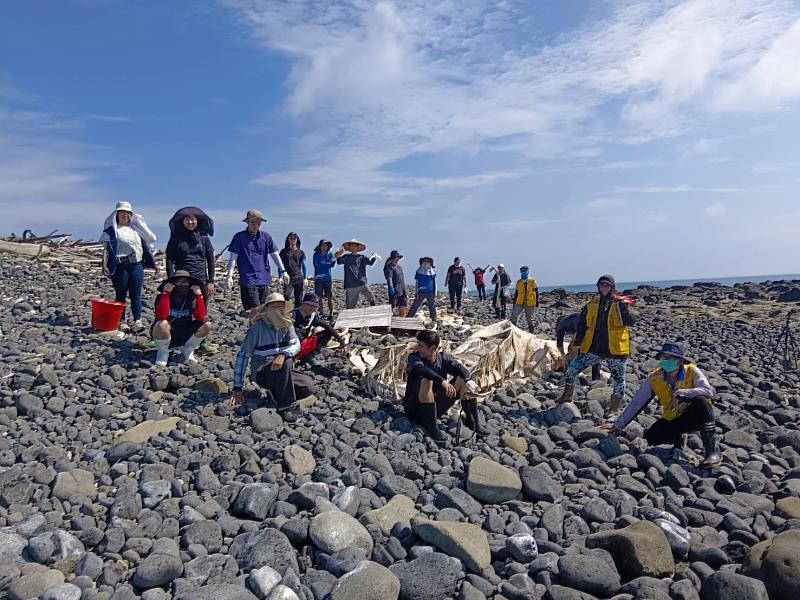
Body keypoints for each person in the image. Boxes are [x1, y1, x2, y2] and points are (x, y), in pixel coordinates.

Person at [600, 343, 721, 468]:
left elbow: (708, 391)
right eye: (664, 357)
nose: (666, 361)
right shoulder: (654, 378)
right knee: (651, 437)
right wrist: (618, 424)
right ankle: (678, 438)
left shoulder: (692, 371)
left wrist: (682, 393)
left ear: (680, 361)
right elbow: (637, 402)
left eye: (670, 358)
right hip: (673, 418)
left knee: (702, 401)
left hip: (695, 415)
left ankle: (713, 453)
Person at [229, 293, 315, 423]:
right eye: (273, 306)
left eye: (280, 306)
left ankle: (276, 395)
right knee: (286, 361)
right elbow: (243, 356)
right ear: (267, 308)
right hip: (262, 371)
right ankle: (285, 406)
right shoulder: (257, 328)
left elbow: (296, 345)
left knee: (308, 387)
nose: (277, 309)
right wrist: (237, 388)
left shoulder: (287, 325)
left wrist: (283, 354)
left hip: (283, 369)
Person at [560, 274, 636, 415]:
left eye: (607, 285)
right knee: (572, 369)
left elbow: (631, 321)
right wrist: (577, 344)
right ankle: (567, 395)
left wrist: (624, 308)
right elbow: (582, 324)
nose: (604, 287)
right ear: (598, 287)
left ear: (612, 287)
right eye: (601, 285)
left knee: (618, 379)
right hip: (594, 348)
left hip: (615, 350)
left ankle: (614, 409)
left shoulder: (620, 303)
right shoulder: (592, 304)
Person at [403, 330, 486, 442]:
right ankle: (431, 427)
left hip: (437, 406)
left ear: (432, 348)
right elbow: (421, 370)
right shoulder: (414, 357)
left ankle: (473, 422)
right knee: (427, 380)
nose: (418, 348)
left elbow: (459, 368)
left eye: (421, 346)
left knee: (462, 380)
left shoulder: (442, 358)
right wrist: (442, 381)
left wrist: (468, 380)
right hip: (415, 408)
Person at [100, 201, 158, 332]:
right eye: (122, 213)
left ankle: (137, 320)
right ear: (117, 214)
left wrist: (153, 263)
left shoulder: (137, 230)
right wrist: (104, 265)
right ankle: (122, 321)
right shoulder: (111, 231)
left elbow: (145, 247)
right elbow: (106, 249)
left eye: (128, 213)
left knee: (136, 294)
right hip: (120, 265)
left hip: (136, 265)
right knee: (121, 294)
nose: (125, 215)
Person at [166, 207, 217, 354]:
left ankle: (203, 342)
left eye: (193, 219)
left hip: (201, 279)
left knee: (201, 310)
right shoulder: (176, 238)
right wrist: (171, 280)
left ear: (197, 221)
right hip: (182, 279)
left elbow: (210, 260)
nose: (190, 222)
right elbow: (169, 259)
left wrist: (211, 281)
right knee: (178, 308)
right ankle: (168, 336)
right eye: (187, 219)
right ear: (182, 222)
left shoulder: (204, 238)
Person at [225, 210, 288, 318]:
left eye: (258, 223)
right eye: (253, 222)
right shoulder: (239, 237)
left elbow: (274, 254)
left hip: (264, 278)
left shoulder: (266, 237)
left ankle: (258, 333)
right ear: (248, 222)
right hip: (248, 279)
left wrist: (283, 271)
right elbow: (233, 258)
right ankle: (254, 331)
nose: (256, 225)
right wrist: (229, 275)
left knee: (263, 309)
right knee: (255, 310)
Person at [151, 270, 213, 367]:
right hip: (167, 333)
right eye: (179, 281)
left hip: (185, 333)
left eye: (185, 282)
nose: (182, 284)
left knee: (206, 324)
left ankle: (188, 349)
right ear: (173, 284)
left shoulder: (191, 298)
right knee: (161, 324)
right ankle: (163, 352)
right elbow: (161, 316)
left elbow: (200, 316)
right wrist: (166, 293)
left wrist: (199, 295)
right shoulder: (161, 297)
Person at [292, 293, 347, 367]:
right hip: (291, 344)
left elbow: (328, 327)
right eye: (310, 305)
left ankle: (309, 356)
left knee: (327, 332)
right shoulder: (293, 315)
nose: (313, 309)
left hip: (304, 344)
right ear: (303, 304)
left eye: (315, 307)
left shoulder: (313, 317)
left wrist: (342, 342)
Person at [555, 312, 600, 379]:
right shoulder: (571, 320)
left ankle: (571, 373)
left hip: (586, 327)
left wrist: (563, 354)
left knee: (577, 352)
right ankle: (596, 377)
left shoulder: (561, 325)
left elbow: (559, 343)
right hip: (594, 326)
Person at [335, 239, 378, 309]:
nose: (353, 248)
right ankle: (348, 318)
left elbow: (370, 263)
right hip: (351, 285)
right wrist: (339, 253)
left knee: (371, 297)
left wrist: (374, 257)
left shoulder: (362, 257)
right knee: (350, 306)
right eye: (352, 246)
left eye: (355, 246)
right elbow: (339, 261)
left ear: (358, 248)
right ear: (349, 248)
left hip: (362, 282)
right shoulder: (346, 257)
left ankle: (374, 310)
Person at [279, 232, 307, 308]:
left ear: (297, 240)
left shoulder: (301, 252)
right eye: (291, 238)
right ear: (288, 240)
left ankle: (297, 315)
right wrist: (280, 276)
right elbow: (280, 265)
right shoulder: (284, 252)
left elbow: (303, 265)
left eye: (294, 238)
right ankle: (287, 313)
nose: (293, 240)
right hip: (288, 277)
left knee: (299, 298)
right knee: (286, 295)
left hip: (298, 277)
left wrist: (305, 278)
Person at [407, 257, 437, 323]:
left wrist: (435, 292)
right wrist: (416, 292)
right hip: (421, 292)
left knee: (432, 306)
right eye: (425, 261)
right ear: (422, 262)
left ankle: (434, 320)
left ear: (430, 263)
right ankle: (409, 318)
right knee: (415, 305)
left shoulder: (432, 272)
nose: (426, 263)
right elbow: (417, 283)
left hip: (430, 292)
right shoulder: (419, 271)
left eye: (427, 261)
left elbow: (435, 282)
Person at [510, 266, 539, 332]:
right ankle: (513, 329)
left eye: (525, 271)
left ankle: (531, 331)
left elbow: (536, 292)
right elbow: (516, 293)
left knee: (529, 318)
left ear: (528, 272)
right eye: (523, 271)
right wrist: (514, 303)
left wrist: (537, 303)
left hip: (530, 302)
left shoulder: (532, 281)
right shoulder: (519, 282)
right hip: (520, 302)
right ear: (521, 272)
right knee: (514, 315)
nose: (524, 273)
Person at [313, 240, 336, 318]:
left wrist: (325, 264)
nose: (324, 247)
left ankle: (331, 312)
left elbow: (333, 264)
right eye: (323, 245)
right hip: (318, 279)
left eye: (326, 246)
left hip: (327, 278)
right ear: (320, 246)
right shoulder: (316, 255)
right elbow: (316, 266)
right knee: (319, 297)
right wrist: (328, 264)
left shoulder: (330, 254)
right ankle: (321, 312)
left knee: (329, 296)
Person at [384, 250, 408, 317]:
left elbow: (402, 279)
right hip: (395, 289)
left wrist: (405, 290)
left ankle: (402, 320)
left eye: (398, 257)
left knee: (403, 305)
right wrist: (391, 287)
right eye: (396, 257)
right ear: (393, 258)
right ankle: (391, 320)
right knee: (393, 306)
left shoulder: (399, 267)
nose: (398, 259)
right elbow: (389, 278)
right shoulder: (389, 267)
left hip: (402, 289)